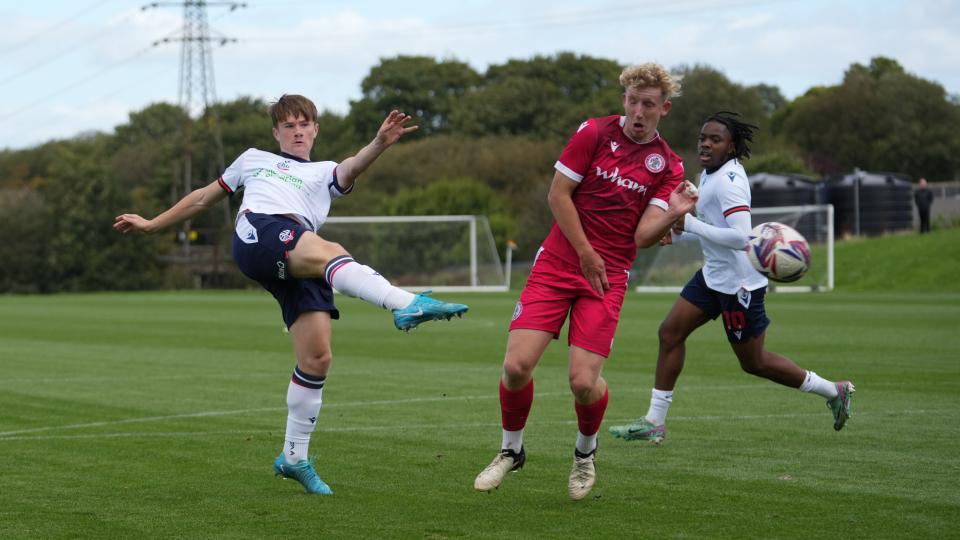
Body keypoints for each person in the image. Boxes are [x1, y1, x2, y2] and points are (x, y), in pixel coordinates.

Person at [114, 94, 468, 495]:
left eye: (304, 124)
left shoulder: (323, 172)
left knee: (317, 358)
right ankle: (404, 305)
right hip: (260, 233)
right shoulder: (252, 159)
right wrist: (152, 224)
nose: (297, 131)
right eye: (289, 126)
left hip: (300, 251)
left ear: (315, 129)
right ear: (276, 133)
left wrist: (379, 144)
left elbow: (351, 167)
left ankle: (294, 457)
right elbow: (202, 197)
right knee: (332, 252)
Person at [472, 63, 697, 501]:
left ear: (663, 109)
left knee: (582, 381)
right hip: (558, 263)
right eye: (632, 101)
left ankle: (584, 453)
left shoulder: (668, 165)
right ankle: (510, 450)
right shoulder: (593, 133)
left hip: (607, 277)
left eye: (648, 104)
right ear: (624, 100)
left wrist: (674, 211)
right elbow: (557, 196)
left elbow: (644, 237)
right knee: (516, 367)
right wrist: (585, 251)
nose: (637, 111)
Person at [608, 111, 854, 445]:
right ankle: (655, 422)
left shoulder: (729, 182)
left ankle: (833, 390)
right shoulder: (710, 173)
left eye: (715, 139)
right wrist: (677, 233)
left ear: (732, 146)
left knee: (754, 363)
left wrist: (689, 224)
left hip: (740, 285)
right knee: (669, 333)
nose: (706, 144)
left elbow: (741, 238)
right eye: (703, 138)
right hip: (713, 277)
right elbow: (715, 231)